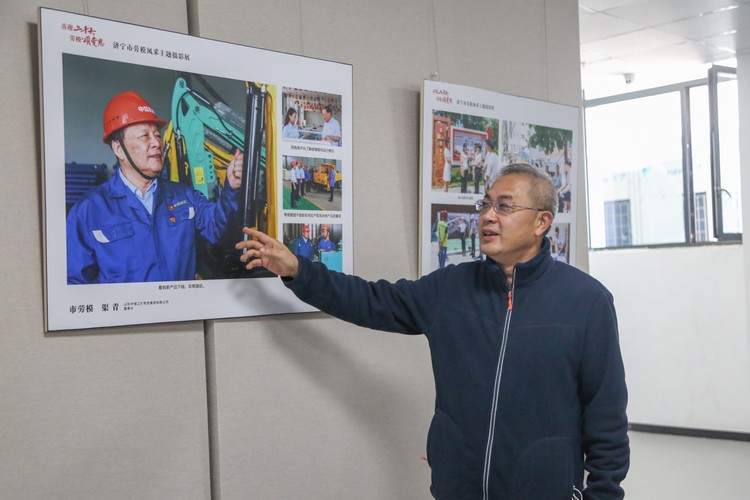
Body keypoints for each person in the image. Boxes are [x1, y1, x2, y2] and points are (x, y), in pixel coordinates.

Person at [235, 162, 629, 499]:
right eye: (486, 204)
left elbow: (605, 414)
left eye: (504, 207)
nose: (488, 216)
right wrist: (299, 270)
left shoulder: (586, 301)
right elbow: (371, 301)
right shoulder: (450, 288)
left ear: (542, 221)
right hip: (457, 487)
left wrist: (602, 493)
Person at [66, 91, 243, 284]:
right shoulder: (89, 210)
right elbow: (76, 282)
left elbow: (218, 228)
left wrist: (231, 188)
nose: (156, 143)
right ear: (118, 149)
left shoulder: (184, 196)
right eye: (144, 136)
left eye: (157, 135)